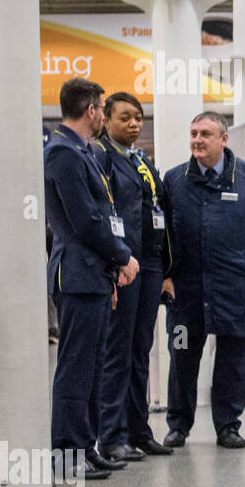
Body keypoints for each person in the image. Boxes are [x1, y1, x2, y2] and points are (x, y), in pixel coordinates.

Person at [160, 111, 245, 449]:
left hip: (234, 287)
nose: (197, 140)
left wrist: (243, 260)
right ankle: (178, 424)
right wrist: (167, 275)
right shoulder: (174, 180)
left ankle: (228, 425)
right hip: (186, 289)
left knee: (232, 358)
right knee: (181, 354)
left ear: (224, 139)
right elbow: (164, 232)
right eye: (193, 133)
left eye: (205, 134)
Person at [45, 78, 139, 480]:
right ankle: (67, 455)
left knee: (94, 364)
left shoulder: (81, 151)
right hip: (77, 273)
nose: (102, 113)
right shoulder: (63, 154)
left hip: (94, 273)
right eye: (102, 107)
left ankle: (86, 446)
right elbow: (85, 221)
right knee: (76, 367)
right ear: (91, 110)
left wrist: (112, 266)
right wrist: (122, 256)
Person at [91, 91, 171, 460]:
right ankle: (112, 436)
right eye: (125, 117)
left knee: (141, 349)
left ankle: (139, 430)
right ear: (106, 120)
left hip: (150, 261)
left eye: (138, 117)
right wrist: (115, 261)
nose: (134, 123)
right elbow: (100, 213)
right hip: (123, 264)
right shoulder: (100, 157)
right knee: (117, 351)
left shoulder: (141, 160)